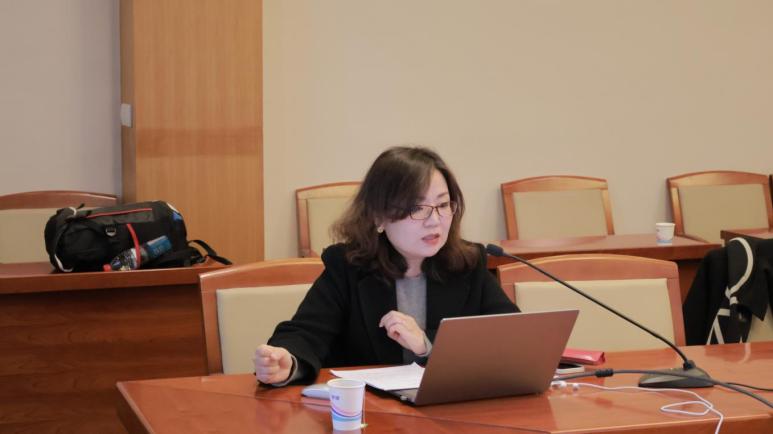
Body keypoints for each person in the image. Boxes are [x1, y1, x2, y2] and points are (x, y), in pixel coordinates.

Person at [254, 146, 518, 385]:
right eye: (417, 208)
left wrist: (427, 342)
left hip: (450, 409)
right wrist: (288, 362)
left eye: (442, 204)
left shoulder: (468, 263)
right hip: (370, 412)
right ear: (379, 216)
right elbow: (305, 333)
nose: (435, 220)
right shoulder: (348, 266)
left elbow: (512, 336)